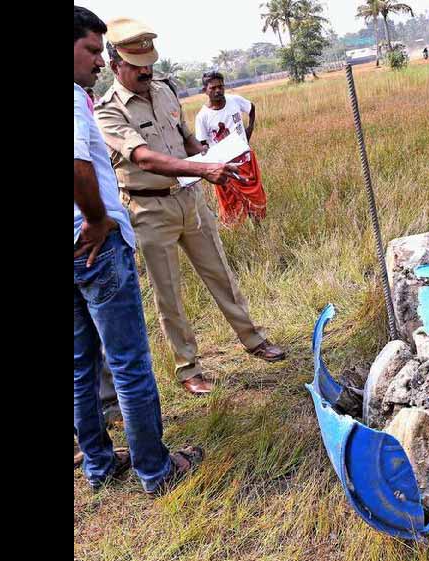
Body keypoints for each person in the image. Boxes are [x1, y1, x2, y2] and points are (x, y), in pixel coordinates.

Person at [95, 17, 286, 396]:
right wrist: (203, 167)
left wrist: (218, 155)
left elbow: (187, 144)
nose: (146, 72)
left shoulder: (165, 90)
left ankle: (254, 340)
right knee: (169, 293)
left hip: (190, 199)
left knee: (221, 273)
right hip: (149, 210)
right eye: (137, 67)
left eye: (149, 64)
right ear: (115, 64)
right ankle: (189, 369)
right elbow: (146, 158)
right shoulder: (108, 111)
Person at [74, 6, 203, 495]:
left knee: (80, 364)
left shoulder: (163, 91)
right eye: (90, 50)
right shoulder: (76, 100)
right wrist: (96, 219)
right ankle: (155, 468)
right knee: (128, 362)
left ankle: (100, 465)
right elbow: (78, 166)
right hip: (95, 245)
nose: (98, 62)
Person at [194, 71, 267, 228]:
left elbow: (251, 108)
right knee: (230, 204)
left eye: (221, 87)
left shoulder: (235, 101)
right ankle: (237, 235)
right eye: (213, 88)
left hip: (245, 159)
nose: (218, 91)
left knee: (254, 197)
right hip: (224, 167)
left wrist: (250, 129)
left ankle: (259, 230)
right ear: (205, 90)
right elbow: (202, 144)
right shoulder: (202, 116)